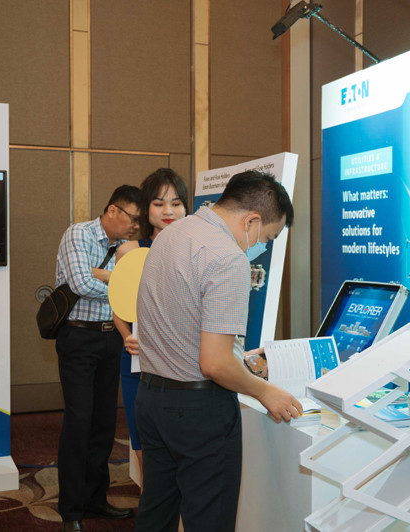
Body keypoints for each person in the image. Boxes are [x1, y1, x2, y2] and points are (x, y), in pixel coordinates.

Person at [134, 170, 303, 532]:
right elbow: (214, 363)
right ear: (251, 221)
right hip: (198, 410)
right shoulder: (227, 258)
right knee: (208, 519)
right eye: (267, 237)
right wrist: (265, 391)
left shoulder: (171, 234)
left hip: (151, 397)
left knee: (156, 512)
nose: (261, 247)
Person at [55, 185, 141, 532]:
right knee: (79, 421)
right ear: (113, 211)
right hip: (78, 338)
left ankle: (95, 498)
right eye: (133, 219)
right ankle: (71, 510)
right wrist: (120, 281)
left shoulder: (125, 248)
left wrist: (104, 274)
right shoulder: (79, 234)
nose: (136, 227)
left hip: (112, 338)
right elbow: (80, 283)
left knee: (104, 423)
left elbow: (133, 287)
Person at [112, 168, 189, 490]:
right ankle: (153, 508)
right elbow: (119, 305)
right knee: (145, 448)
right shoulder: (129, 251)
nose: (168, 211)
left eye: (176, 203)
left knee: (182, 448)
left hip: (184, 365)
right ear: (146, 209)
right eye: (159, 203)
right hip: (138, 362)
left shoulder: (195, 250)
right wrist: (126, 336)